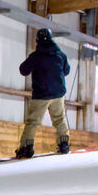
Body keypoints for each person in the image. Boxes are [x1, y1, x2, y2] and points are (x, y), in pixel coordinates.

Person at [15, 29, 71, 158]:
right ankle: (64, 144)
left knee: (32, 122)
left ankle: (26, 147)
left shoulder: (36, 56)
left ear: (37, 41)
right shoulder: (60, 55)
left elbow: (23, 70)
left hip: (41, 95)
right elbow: (66, 71)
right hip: (58, 94)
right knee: (59, 119)